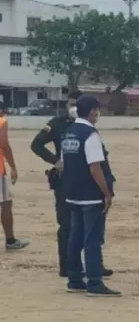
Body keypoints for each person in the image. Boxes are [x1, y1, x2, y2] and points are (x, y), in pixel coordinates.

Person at [30, 91, 114, 277]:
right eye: (72, 104)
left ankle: (94, 265)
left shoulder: (85, 128)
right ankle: (68, 267)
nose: (75, 107)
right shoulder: (58, 124)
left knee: (94, 224)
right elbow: (36, 145)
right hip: (65, 181)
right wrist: (55, 160)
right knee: (68, 225)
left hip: (84, 180)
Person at [61, 95, 120, 297]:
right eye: (97, 110)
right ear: (92, 111)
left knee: (75, 239)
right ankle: (95, 282)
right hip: (91, 195)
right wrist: (107, 193)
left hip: (72, 194)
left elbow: (63, 164)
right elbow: (95, 168)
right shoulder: (90, 135)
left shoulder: (68, 133)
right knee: (92, 240)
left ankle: (74, 279)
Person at [0, 102, 28, 251]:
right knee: (5, 203)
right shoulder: (2, 121)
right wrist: (13, 166)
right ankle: (10, 240)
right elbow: (3, 143)